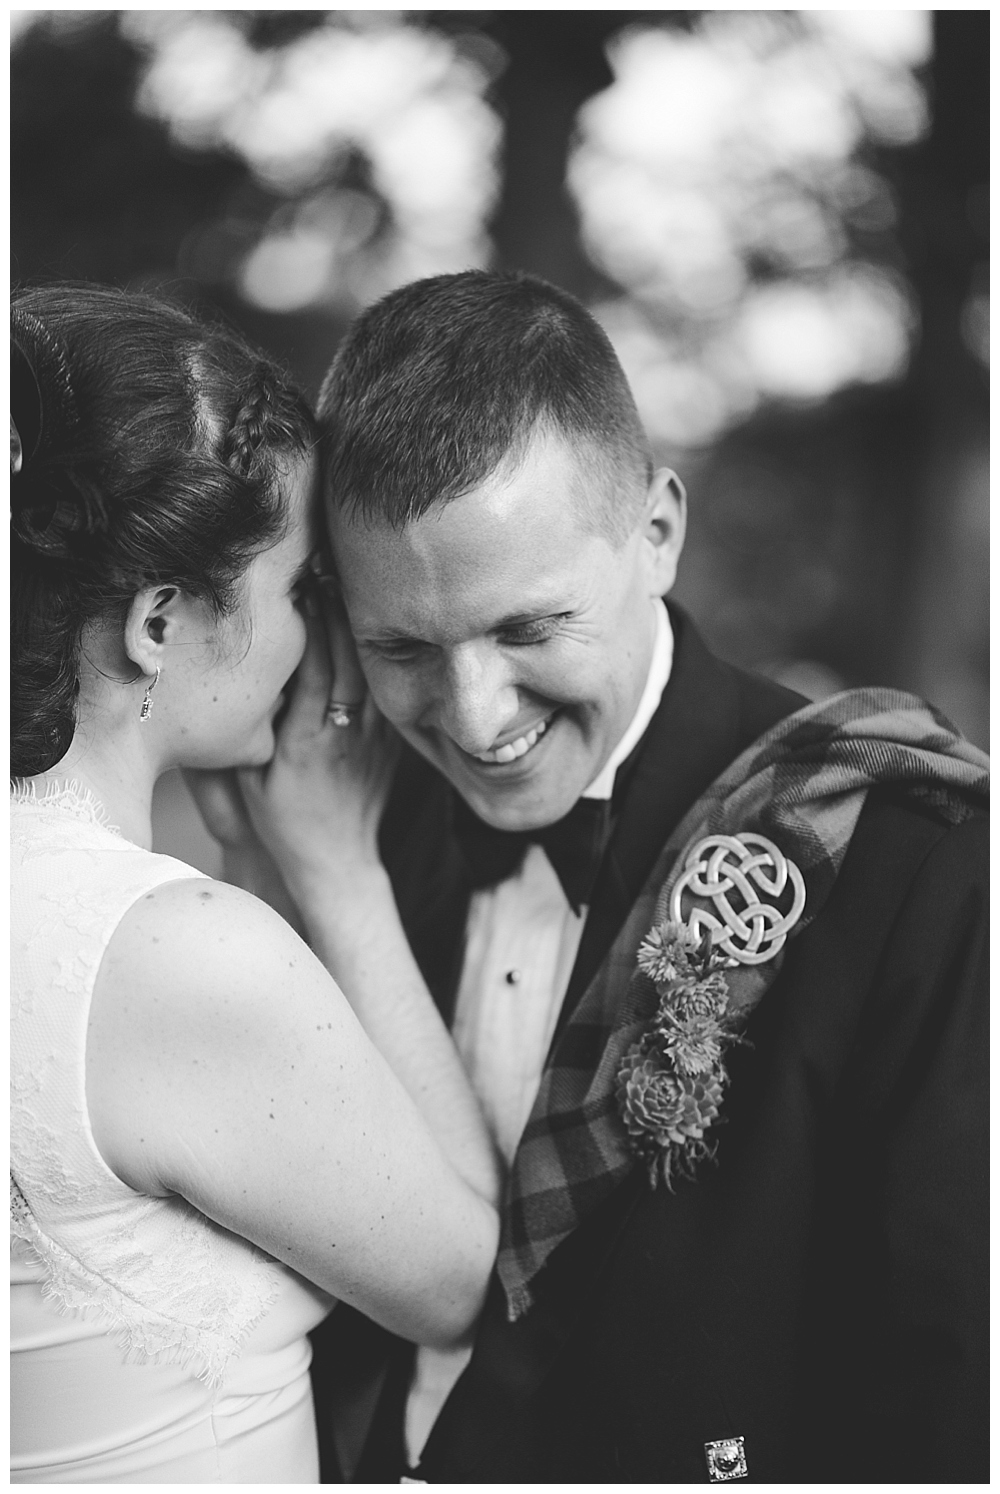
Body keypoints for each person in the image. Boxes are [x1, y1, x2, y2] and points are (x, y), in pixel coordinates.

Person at [243, 269, 984, 1483]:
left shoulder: (914, 863)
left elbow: (951, 1392)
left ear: (657, 534)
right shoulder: (340, 831)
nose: (475, 720)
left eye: (529, 630)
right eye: (402, 649)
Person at [9, 285, 503, 1484]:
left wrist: (243, 863)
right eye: (299, 587)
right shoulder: (176, 959)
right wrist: (335, 867)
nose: (313, 635)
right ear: (161, 622)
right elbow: (458, 1284)